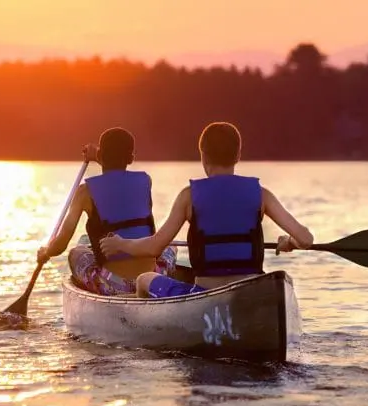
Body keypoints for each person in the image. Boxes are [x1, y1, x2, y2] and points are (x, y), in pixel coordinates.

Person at [99, 121, 313, 298]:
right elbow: (306, 239)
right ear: (238, 155)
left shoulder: (188, 196)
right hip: (250, 293)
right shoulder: (261, 194)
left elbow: (154, 247)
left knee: (144, 279)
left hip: (203, 293)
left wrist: (121, 244)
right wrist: (290, 242)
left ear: (203, 155)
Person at [37, 127, 177, 296]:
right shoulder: (146, 180)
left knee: (77, 252)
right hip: (151, 279)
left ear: (101, 155)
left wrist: (46, 251)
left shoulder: (84, 192)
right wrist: (97, 155)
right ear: (131, 158)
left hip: (114, 285)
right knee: (171, 245)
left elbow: (60, 245)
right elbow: (116, 173)